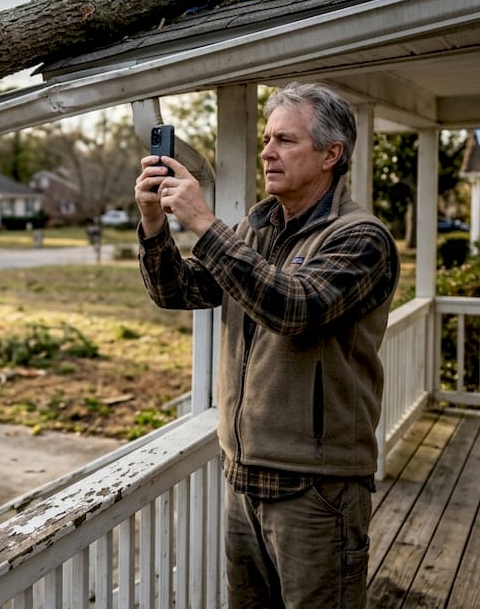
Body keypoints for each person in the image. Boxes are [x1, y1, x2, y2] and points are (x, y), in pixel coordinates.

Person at [135, 82, 399, 608]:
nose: (267, 152)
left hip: (317, 492)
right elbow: (177, 290)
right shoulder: (256, 228)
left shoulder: (361, 237)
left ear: (331, 154)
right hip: (245, 482)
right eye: (265, 139)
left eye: (285, 140)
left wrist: (205, 224)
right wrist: (154, 222)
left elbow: (293, 308)